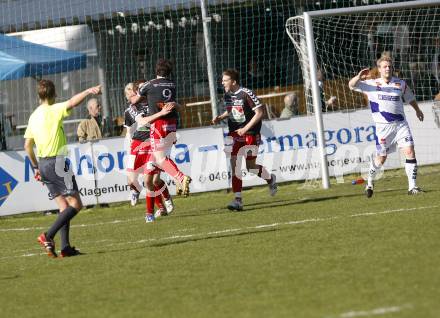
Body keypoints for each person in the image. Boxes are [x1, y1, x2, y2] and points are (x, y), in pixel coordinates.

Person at [24, 79, 101, 258]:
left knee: (63, 206)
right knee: (76, 204)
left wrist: (36, 167)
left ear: (39, 95)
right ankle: (47, 236)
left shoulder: (34, 115)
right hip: (58, 162)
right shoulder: (55, 109)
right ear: (54, 94)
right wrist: (89, 91)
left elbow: (27, 145)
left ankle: (65, 248)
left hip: (43, 164)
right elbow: (73, 101)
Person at [348, 56, 424, 198]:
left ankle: (412, 187)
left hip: (401, 125)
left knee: (410, 151)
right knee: (381, 159)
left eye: (389, 66)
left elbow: (410, 97)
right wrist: (358, 77)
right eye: (385, 66)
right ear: (379, 69)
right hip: (383, 128)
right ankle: (370, 182)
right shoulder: (371, 84)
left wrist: (418, 110)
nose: (388, 68)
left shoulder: (400, 84)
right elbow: (351, 86)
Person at [212, 68, 278, 211]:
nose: (222, 83)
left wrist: (246, 128)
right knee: (235, 163)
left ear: (234, 81)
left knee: (250, 167)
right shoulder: (227, 95)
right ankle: (238, 200)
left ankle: (270, 178)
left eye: (225, 80)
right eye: (222, 80)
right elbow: (232, 110)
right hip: (235, 134)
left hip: (251, 133)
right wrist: (221, 117)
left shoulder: (246, 93)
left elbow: (260, 113)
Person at [133, 58, 192, 197]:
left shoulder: (149, 84)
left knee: (160, 159)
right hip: (172, 124)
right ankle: (178, 181)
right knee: (164, 157)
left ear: (156, 70)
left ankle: (181, 177)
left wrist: (143, 96)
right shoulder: (172, 84)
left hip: (158, 124)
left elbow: (135, 100)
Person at [124, 80, 174, 223]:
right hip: (138, 144)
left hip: (154, 143)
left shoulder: (154, 102)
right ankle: (138, 192)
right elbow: (139, 124)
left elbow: (168, 116)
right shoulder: (132, 108)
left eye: (133, 91)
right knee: (132, 180)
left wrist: (171, 131)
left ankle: (154, 210)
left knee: (151, 180)